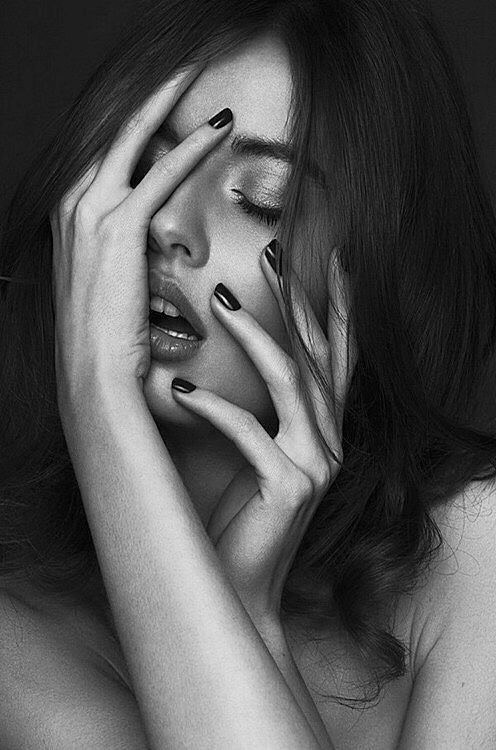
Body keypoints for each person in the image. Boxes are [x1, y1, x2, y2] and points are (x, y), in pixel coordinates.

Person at [1, 0, 496, 746]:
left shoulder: (474, 548)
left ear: (372, 273)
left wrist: (253, 616)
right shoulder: (16, 642)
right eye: (147, 169)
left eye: (262, 200)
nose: (166, 224)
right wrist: (98, 395)